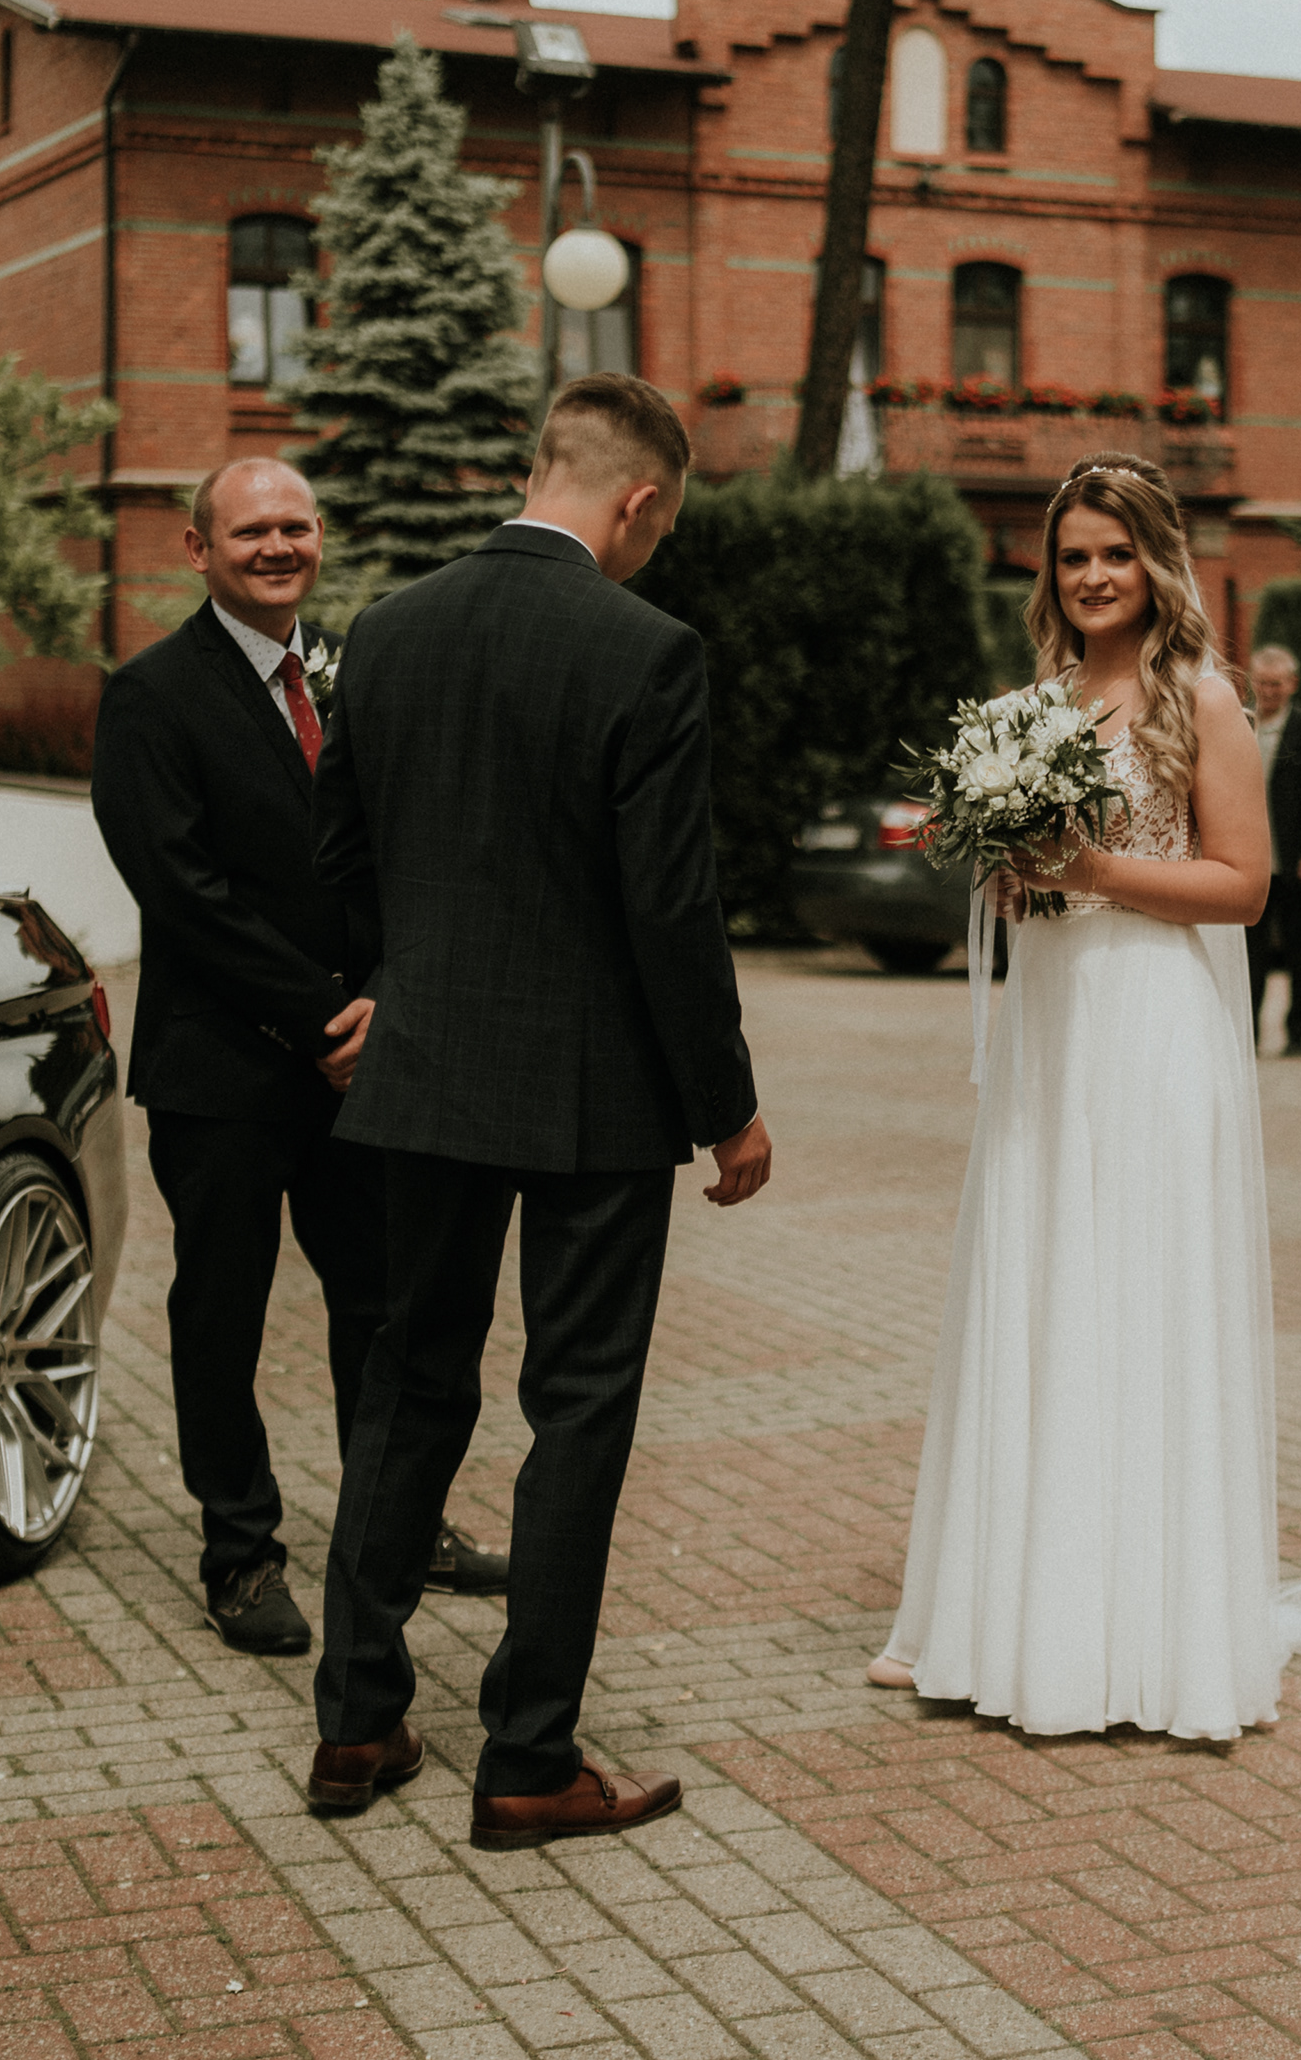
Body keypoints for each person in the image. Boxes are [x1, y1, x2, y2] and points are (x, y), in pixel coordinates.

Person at [303, 375, 775, 1850]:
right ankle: (527, 1758)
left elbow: (340, 856)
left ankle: (355, 1718)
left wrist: (388, 994)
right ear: (637, 500)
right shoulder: (647, 651)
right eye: (662, 527)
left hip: (425, 1076)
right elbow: (670, 909)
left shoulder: (388, 630)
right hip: (593, 1099)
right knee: (577, 1407)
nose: (654, 551)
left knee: (409, 1381)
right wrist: (728, 1108)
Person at [871, 455, 1301, 1738]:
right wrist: (1012, 867)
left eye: (1115, 554)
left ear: (1158, 562)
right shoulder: (1033, 705)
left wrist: (1089, 868)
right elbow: (1029, 871)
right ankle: (1003, 1610)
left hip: (1151, 1020)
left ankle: (1143, 1629)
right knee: (1039, 1285)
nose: (1092, 577)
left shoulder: (1204, 698)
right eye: (1073, 556)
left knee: (1138, 1291)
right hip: (1054, 1023)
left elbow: (1243, 886)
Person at [90, 457, 510, 1657]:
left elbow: (408, 846)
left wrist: (384, 999)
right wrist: (323, 1015)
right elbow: (182, 891)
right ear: (198, 549)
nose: (277, 547)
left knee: (381, 1308)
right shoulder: (150, 695)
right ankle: (240, 1551)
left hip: (360, 1062)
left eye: (295, 526)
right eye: (250, 531)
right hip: (225, 1069)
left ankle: (400, 1523)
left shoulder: (349, 668)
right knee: (220, 1315)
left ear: (320, 535)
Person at [1242, 644, 1301, 1055]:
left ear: (1292, 684)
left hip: (1297, 860)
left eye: (1276, 684)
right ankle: (1248, 1032)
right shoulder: (1239, 723)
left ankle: (1300, 1031)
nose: (1268, 691)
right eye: (1262, 683)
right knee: (1249, 953)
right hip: (1250, 861)